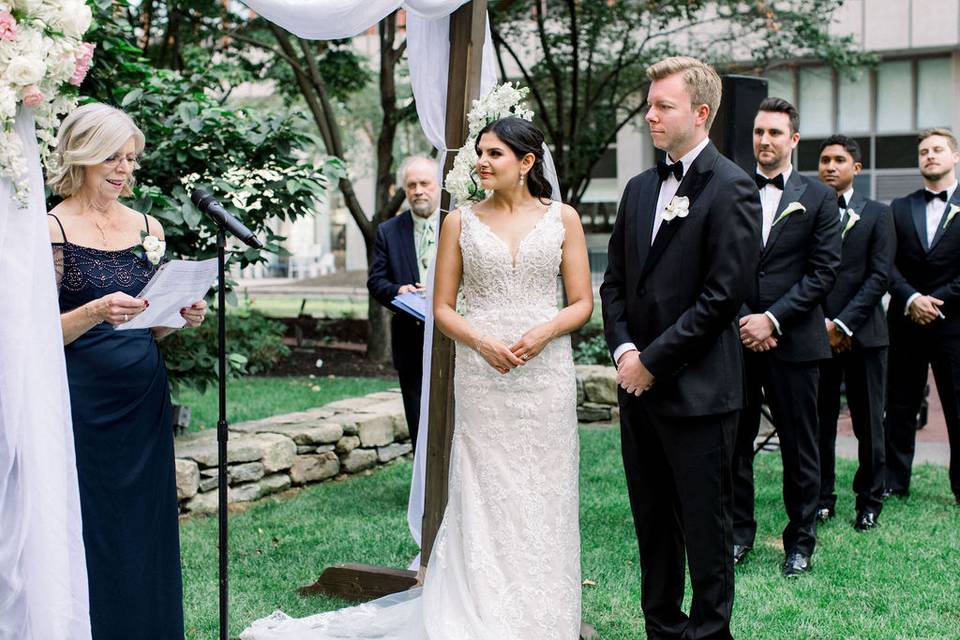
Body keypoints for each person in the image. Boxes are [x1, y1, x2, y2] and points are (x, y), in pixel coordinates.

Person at [242, 116, 592, 639]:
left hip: (545, 376)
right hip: (483, 370)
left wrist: (543, 334)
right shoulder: (461, 222)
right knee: (484, 488)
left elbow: (583, 302)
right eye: (480, 152)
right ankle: (480, 611)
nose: (481, 162)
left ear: (527, 163)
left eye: (494, 153)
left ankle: (542, 615)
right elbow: (442, 307)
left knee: (545, 492)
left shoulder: (563, 218)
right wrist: (480, 341)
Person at [601, 56, 761, 640]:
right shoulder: (640, 188)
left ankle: (710, 635)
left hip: (699, 395)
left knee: (706, 529)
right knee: (653, 526)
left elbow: (722, 298)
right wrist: (624, 353)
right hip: (636, 391)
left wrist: (652, 362)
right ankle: (662, 630)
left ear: (701, 112)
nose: (650, 115)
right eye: (649, 105)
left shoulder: (733, 188)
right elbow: (615, 283)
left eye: (662, 106)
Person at [46, 103, 208, 640]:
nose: (123, 169)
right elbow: (31, 336)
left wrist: (178, 315)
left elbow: (151, 324)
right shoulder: (50, 228)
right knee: (91, 523)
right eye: (112, 157)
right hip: (79, 399)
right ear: (83, 156)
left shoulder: (147, 226)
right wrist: (94, 310)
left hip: (142, 394)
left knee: (145, 523)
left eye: (132, 159)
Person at [730, 97, 841, 577]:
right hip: (734, 340)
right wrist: (743, 320)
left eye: (775, 133)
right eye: (758, 132)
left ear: (793, 139)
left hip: (793, 343)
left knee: (801, 446)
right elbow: (719, 264)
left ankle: (800, 542)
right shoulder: (730, 189)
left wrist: (771, 320)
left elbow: (823, 272)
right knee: (735, 443)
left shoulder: (818, 197)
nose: (765, 141)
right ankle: (738, 533)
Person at [815, 135, 895, 531]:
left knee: (869, 423)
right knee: (820, 421)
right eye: (825, 160)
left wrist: (844, 324)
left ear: (856, 168)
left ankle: (869, 500)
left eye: (839, 160)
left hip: (865, 335)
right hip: (818, 335)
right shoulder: (809, 211)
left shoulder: (879, 214)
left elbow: (879, 275)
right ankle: (822, 498)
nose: (830, 166)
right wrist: (824, 325)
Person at [884, 128, 960, 505]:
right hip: (906, 322)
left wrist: (936, 300)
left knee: (958, 406)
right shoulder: (899, 207)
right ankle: (895, 481)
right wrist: (912, 297)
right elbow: (887, 264)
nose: (930, 156)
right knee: (900, 404)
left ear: (955, 156)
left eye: (937, 150)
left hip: (955, 326)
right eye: (924, 152)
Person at [367, 156, 440, 447]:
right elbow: (376, 281)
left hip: (456, 338)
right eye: (412, 185)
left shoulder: (458, 223)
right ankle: (423, 490)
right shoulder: (388, 230)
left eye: (425, 184)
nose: (418, 191)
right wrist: (400, 291)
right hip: (410, 340)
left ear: (439, 186)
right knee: (417, 416)